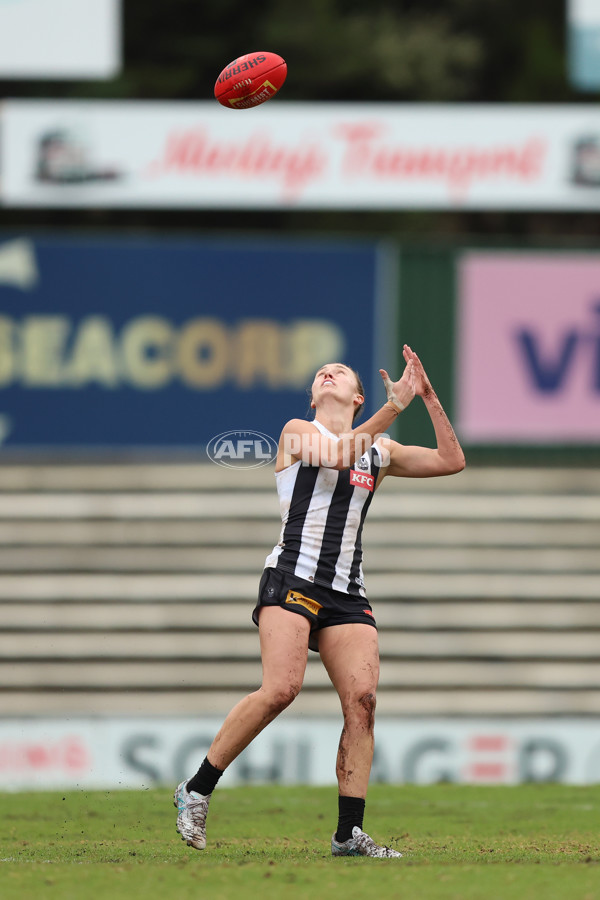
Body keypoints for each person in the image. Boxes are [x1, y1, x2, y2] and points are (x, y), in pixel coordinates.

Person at [174, 344, 465, 858]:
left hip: (346, 591)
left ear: (356, 395)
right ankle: (197, 788)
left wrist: (427, 395)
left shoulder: (383, 450)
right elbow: (337, 454)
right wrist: (394, 406)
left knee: (364, 703)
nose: (327, 373)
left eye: (339, 372)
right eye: (320, 374)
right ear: (314, 397)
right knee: (281, 689)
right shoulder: (298, 432)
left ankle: (348, 833)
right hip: (291, 577)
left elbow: (451, 460)